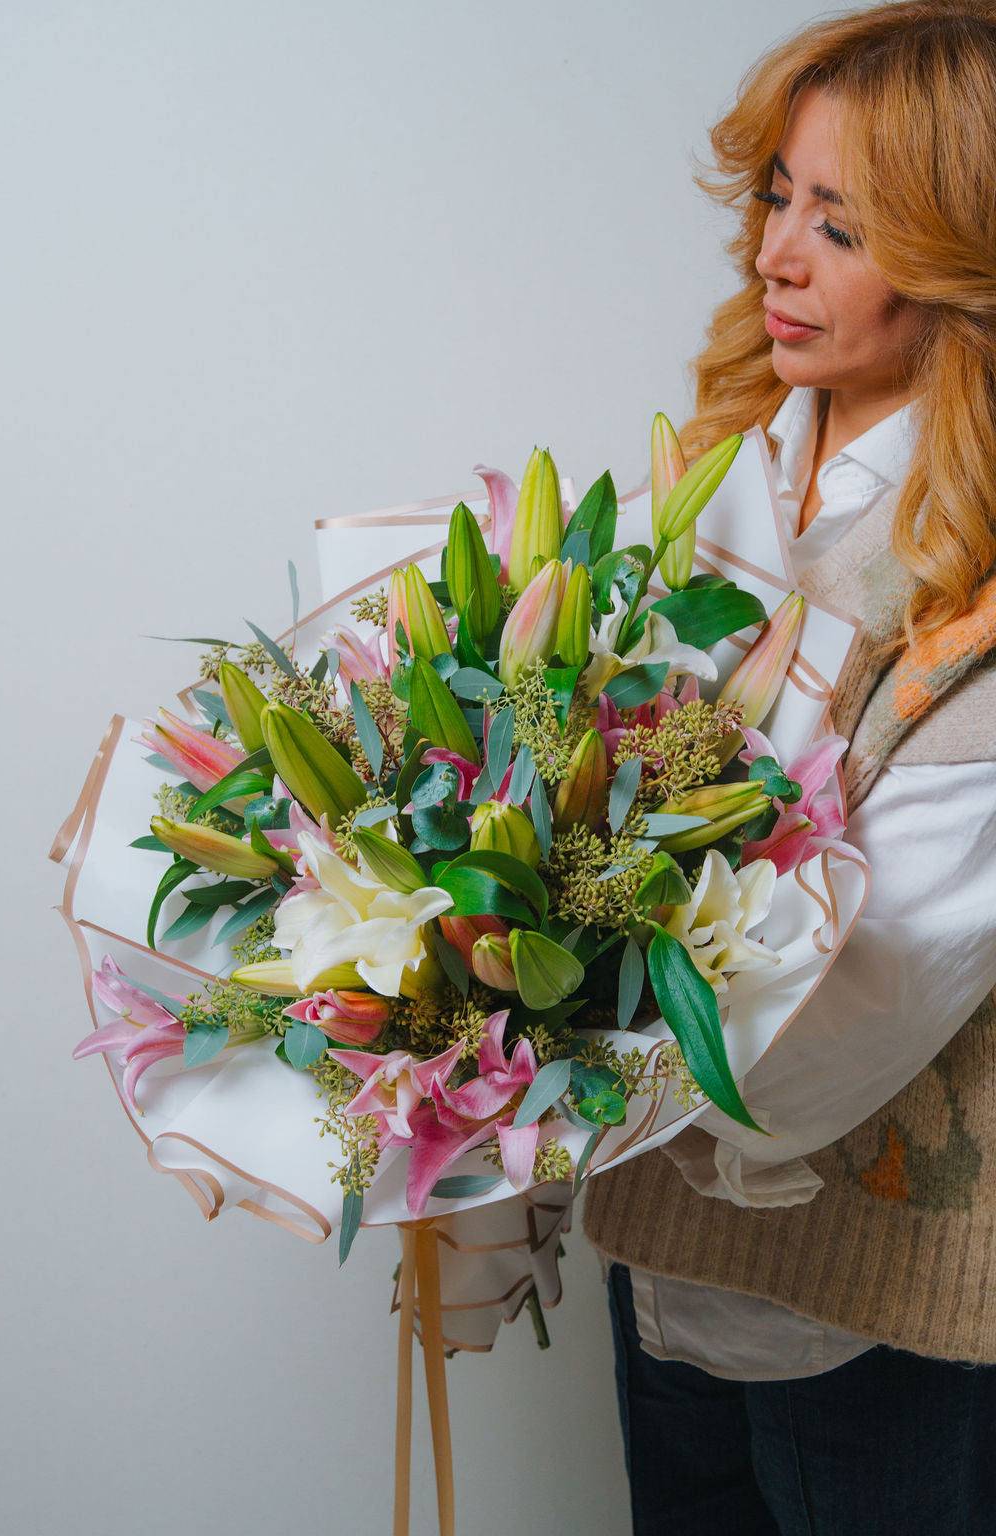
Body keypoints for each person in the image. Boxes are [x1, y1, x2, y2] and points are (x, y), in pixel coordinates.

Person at [583, 4, 996, 1533]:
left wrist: (547, 1065)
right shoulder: (718, 474)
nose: (777, 255)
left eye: (846, 221)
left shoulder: (974, 590)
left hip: (868, 1301)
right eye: (777, 197)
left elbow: (886, 972)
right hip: (667, 1255)